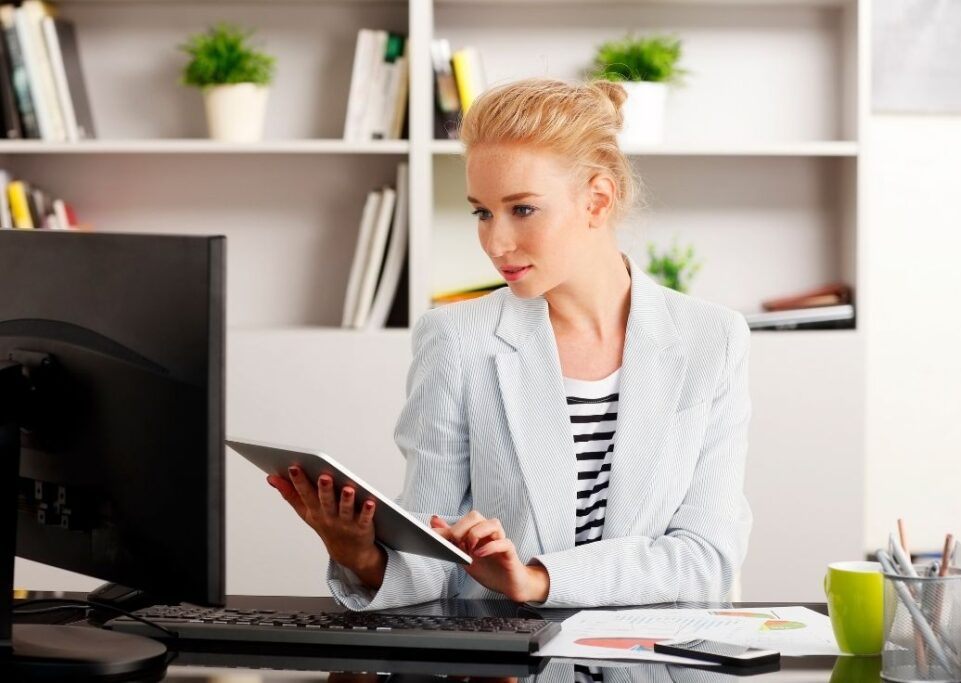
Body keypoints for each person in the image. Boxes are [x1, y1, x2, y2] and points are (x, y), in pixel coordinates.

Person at [268, 77, 753, 610]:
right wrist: (360, 555)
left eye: (522, 209)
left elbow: (708, 558)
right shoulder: (456, 339)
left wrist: (538, 579)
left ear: (597, 200)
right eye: (482, 211)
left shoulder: (713, 340)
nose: (495, 243)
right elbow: (433, 557)